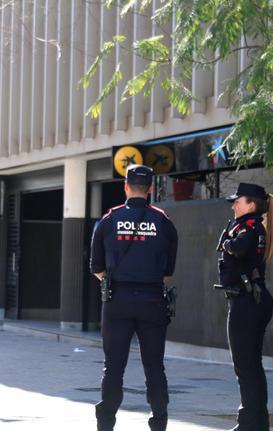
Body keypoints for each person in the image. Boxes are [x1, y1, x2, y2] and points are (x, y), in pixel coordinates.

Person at [89, 164, 178, 431]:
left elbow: (96, 268)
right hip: (152, 301)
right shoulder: (163, 222)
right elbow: (168, 272)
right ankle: (159, 424)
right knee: (154, 366)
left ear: (125, 186)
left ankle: (106, 425)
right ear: (150, 189)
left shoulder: (108, 221)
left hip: (117, 301)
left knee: (114, 366)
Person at [216, 182, 273, 431]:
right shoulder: (249, 226)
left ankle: (248, 424)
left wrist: (227, 243)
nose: (234, 206)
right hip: (250, 300)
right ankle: (257, 424)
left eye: (238, 201)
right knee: (251, 365)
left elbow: (239, 248)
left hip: (247, 302)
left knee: (245, 366)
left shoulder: (250, 228)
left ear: (251, 204)